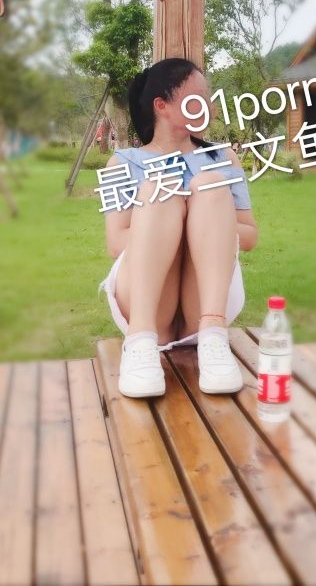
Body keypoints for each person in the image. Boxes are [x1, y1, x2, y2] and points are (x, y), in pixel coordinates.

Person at [97, 57, 258, 398]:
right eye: (199, 98)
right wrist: (173, 220)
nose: (211, 106)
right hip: (147, 302)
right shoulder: (121, 163)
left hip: (205, 299)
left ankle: (214, 338)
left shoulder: (222, 159)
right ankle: (139, 342)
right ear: (162, 106)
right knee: (160, 189)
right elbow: (116, 242)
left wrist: (207, 222)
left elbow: (248, 235)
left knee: (209, 186)